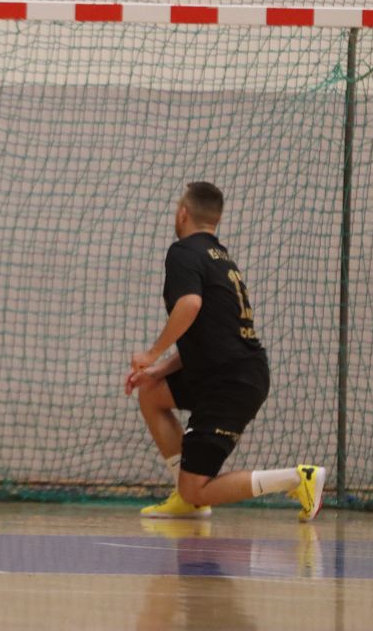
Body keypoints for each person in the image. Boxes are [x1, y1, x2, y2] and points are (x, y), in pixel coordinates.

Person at [124, 182, 324, 522]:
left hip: (230, 381)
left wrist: (151, 353)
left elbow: (189, 304)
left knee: (197, 488)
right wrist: (158, 371)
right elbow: (210, 335)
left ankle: (297, 478)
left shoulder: (183, 252)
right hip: (224, 371)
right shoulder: (221, 259)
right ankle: (186, 497)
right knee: (151, 393)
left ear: (183, 213)